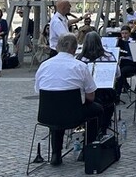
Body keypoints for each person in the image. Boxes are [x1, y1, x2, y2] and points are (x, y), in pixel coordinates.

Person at [34, 33, 103, 166]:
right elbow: (91, 96)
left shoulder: (44, 66)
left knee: (56, 110)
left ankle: (56, 153)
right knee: (97, 109)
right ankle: (87, 149)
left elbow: (38, 90)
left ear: (58, 47)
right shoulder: (80, 66)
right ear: (74, 49)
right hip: (74, 115)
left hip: (47, 115)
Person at [77, 31, 118, 135]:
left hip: (85, 95)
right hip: (105, 93)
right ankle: (102, 128)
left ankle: (89, 127)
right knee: (108, 101)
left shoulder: (79, 59)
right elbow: (117, 74)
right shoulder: (109, 56)